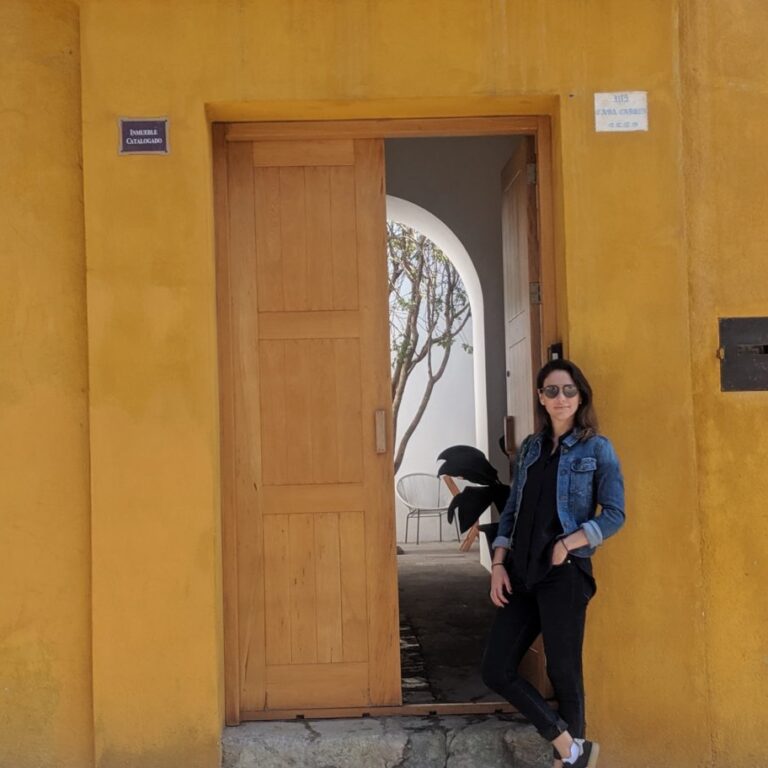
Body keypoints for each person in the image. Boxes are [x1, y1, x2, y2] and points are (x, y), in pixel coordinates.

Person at [481, 359, 625, 768]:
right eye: (551, 390)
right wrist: (498, 563)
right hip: (522, 575)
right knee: (496, 668)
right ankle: (570, 747)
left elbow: (614, 514)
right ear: (541, 398)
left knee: (564, 671)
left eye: (568, 390)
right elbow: (512, 509)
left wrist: (569, 544)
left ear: (580, 396)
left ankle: (568, 761)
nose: (560, 398)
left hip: (565, 575)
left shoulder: (598, 448)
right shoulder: (530, 447)